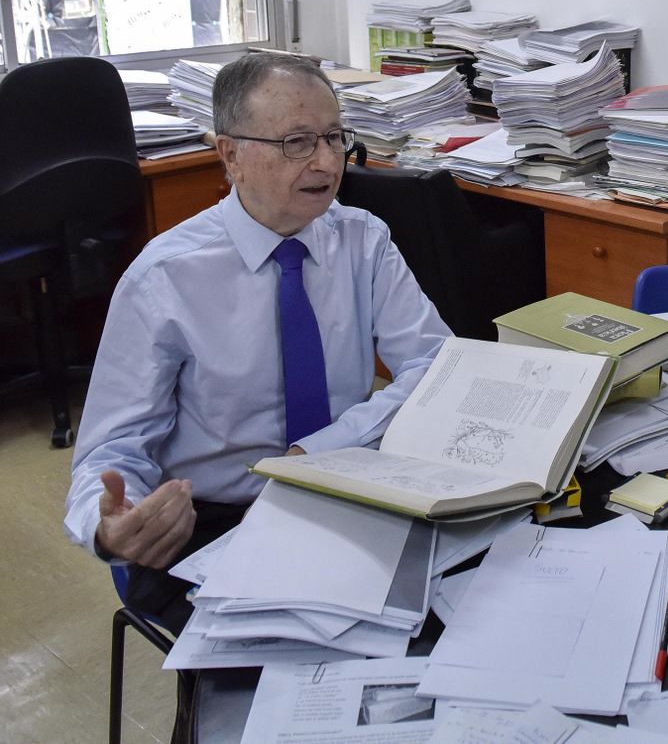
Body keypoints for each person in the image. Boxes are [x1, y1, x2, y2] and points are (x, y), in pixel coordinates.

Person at [64, 55, 451, 630]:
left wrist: (320, 452)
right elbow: (112, 450)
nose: (327, 162)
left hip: (347, 487)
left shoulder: (363, 240)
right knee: (270, 666)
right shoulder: (164, 278)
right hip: (217, 516)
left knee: (446, 616)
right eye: (297, 142)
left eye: (334, 137)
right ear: (230, 155)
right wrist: (109, 527)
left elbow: (437, 368)